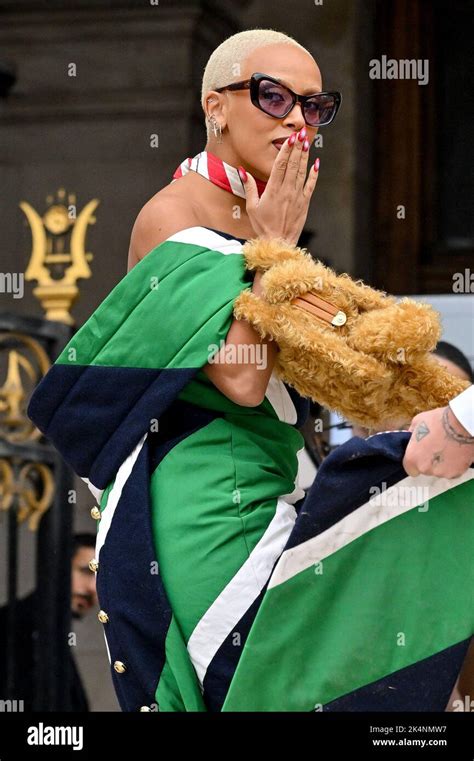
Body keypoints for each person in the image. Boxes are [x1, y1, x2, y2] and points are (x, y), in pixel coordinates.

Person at [26, 29, 474, 713]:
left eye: (315, 106)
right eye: (272, 96)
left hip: (284, 477)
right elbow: (238, 377)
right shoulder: (170, 215)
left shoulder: (265, 213)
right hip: (212, 498)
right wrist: (274, 248)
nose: (297, 119)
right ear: (216, 107)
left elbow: (330, 362)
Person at [0, 533, 98, 711]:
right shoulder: (13, 625)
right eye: (86, 571)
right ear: (57, 569)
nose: (92, 588)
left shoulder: (53, 628)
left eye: (101, 578)